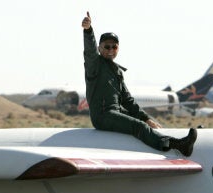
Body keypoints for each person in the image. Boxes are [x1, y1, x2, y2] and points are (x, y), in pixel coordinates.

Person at [81, 12, 196, 156]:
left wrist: (147, 119)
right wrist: (88, 30)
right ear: (100, 48)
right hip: (102, 116)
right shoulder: (95, 65)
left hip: (115, 113)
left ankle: (170, 135)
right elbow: (89, 52)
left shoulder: (116, 71)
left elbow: (128, 101)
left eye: (114, 47)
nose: (111, 50)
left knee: (146, 122)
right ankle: (173, 145)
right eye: (107, 47)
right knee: (138, 126)